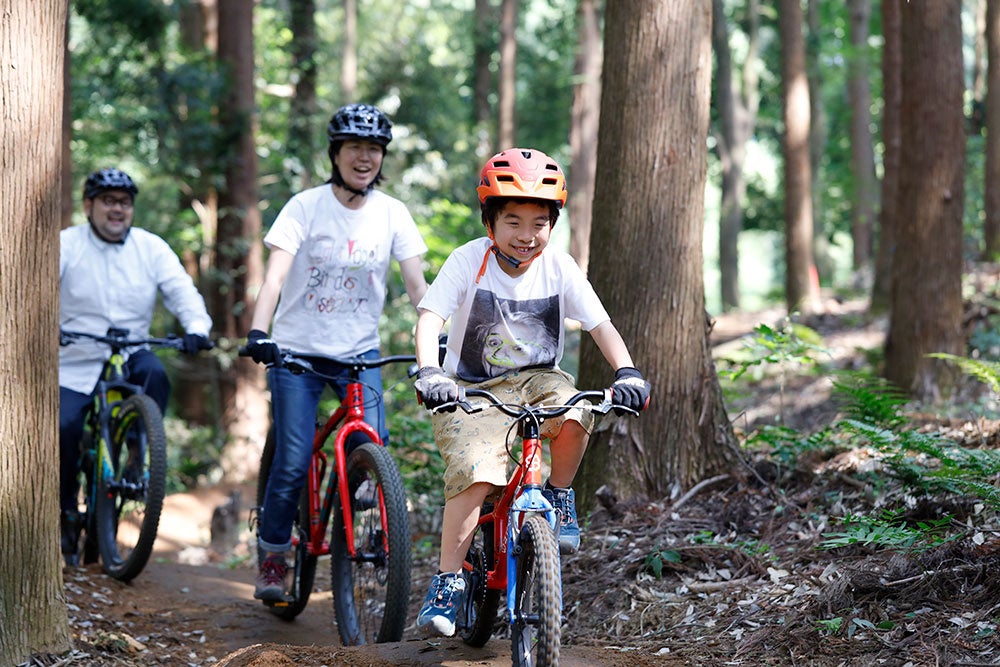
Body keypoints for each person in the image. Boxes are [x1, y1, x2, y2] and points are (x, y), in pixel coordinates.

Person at [411, 147, 651, 637]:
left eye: (538, 223)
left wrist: (627, 371)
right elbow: (430, 317)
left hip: (540, 380)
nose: (526, 235)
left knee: (579, 410)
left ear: (552, 224)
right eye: (513, 221)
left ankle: (559, 497)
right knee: (476, 472)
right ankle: (449, 582)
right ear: (490, 224)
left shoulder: (559, 267)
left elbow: (599, 324)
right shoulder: (468, 261)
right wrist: (430, 373)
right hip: (470, 387)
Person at [243, 103, 429, 602]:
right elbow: (275, 277)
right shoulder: (305, 206)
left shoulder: (393, 213)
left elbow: (417, 285)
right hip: (297, 354)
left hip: (358, 352)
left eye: (373, 149)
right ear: (336, 153)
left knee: (373, 441)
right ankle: (275, 555)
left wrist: (438, 334)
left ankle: (352, 526)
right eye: (354, 148)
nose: (364, 157)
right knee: (294, 456)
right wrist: (260, 332)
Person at [59, 167, 214, 566]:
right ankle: (64, 512)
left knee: (156, 374)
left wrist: (197, 328)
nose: (117, 209)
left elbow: (182, 290)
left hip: (131, 350)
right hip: (75, 354)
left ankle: (137, 449)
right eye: (109, 201)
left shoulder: (151, 247)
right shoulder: (66, 244)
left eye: (124, 203)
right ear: (88, 205)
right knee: (64, 426)